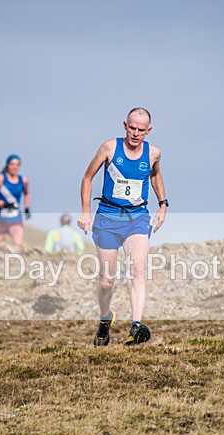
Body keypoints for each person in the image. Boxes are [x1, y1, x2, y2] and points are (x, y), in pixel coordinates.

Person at [77, 107, 168, 346]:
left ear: (148, 130)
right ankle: (105, 319)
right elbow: (87, 177)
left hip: (136, 218)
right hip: (107, 217)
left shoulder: (154, 153)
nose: (136, 133)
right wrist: (86, 211)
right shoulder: (109, 147)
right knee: (107, 279)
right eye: (132, 128)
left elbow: (155, 176)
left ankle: (135, 327)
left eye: (141, 130)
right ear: (125, 125)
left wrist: (162, 204)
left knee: (138, 271)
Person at [0, 154, 31, 246]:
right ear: (7, 165)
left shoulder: (24, 180)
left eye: (17, 165)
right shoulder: (0, 179)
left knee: (18, 246)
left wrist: (27, 208)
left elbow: (26, 194)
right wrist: (2, 204)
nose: (14, 167)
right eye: (12, 164)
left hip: (16, 219)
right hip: (0, 218)